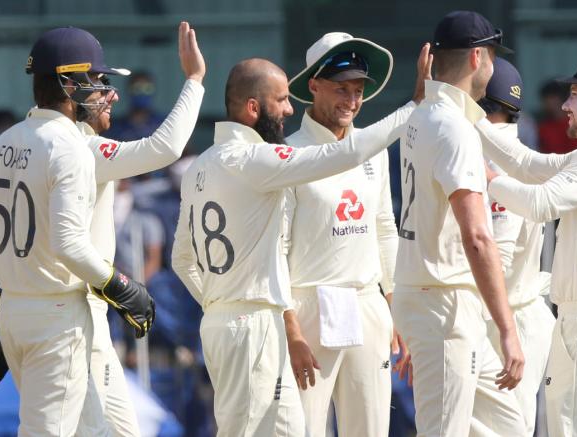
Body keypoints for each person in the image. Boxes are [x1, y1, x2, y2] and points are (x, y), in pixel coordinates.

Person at [171, 56, 423, 436]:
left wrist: (218, 300)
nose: (289, 109)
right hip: (273, 316)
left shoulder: (200, 166)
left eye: (358, 90)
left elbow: (181, 259)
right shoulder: (264, 158)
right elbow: (347, 155)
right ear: (254, 107)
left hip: (235, 317)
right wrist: (413, 106)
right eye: (282, 100)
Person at [0, 27, 155, 436]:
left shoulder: (2, 144)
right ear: (68, 83)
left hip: (14, 312)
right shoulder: (71, 147)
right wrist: (123, 288)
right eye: (95, 80)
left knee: (94, 431)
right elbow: (68, 243)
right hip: (57, 316)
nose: (102, 91)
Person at [481, 58, 577, 437]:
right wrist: (467, 120)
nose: (565, 106)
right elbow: (530, 165)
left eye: (574, 95)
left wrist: (484, 178)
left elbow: (540, 203)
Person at [282, 32, 430, 436]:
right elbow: (275, 250)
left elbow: (384, 226)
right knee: (304, 428)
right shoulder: (288, 155)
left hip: (367, 303)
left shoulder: (373, 150)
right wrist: (290, 326)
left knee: (370, 428)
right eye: (340, 89)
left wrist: (394, 305)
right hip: (310, 303)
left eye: (359, 90)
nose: (351, 101)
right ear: (313, 86)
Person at [391, 10, 526, 436]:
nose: (492, 66)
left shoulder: (423, 114)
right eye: (490, 56)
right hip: (445, 304)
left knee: (509, 425)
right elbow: (478, 237)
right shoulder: (454, 128)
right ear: (476, 58)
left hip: (434, 299)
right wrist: (507, 329)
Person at [72, 21, 205, 436]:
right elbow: (163, 148)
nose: (111, 95)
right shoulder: (81, 144)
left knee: (119, 425)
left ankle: (171, 343)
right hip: (69, 307)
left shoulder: (14, 144)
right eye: (100, 85)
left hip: (73, 304)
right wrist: (195, 81)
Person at [475, 57, 555, 436]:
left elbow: (499, 261)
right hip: (510, 317)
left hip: (506, 319)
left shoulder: (495, 159)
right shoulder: (516, 149)